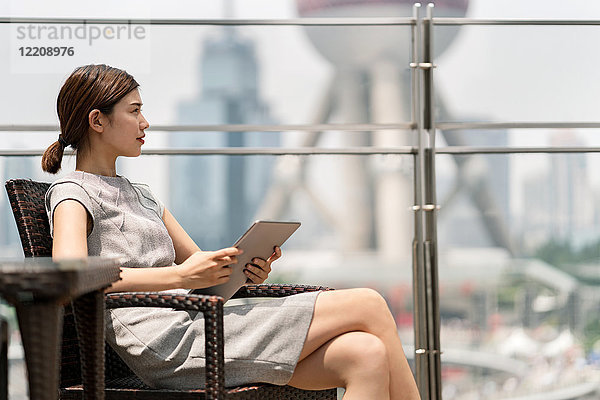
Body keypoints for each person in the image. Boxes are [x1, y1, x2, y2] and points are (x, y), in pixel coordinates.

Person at [42, 64, 421, 400]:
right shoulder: (72, 193)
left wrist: (240, 268)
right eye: (135, 111)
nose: (145, 123)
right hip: (166, 343)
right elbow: (70, 275)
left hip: (199, 319)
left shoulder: (142, 196)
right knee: (369, 302)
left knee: (365, 355)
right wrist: (180, 276)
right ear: (97, 120)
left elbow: (200, 265)